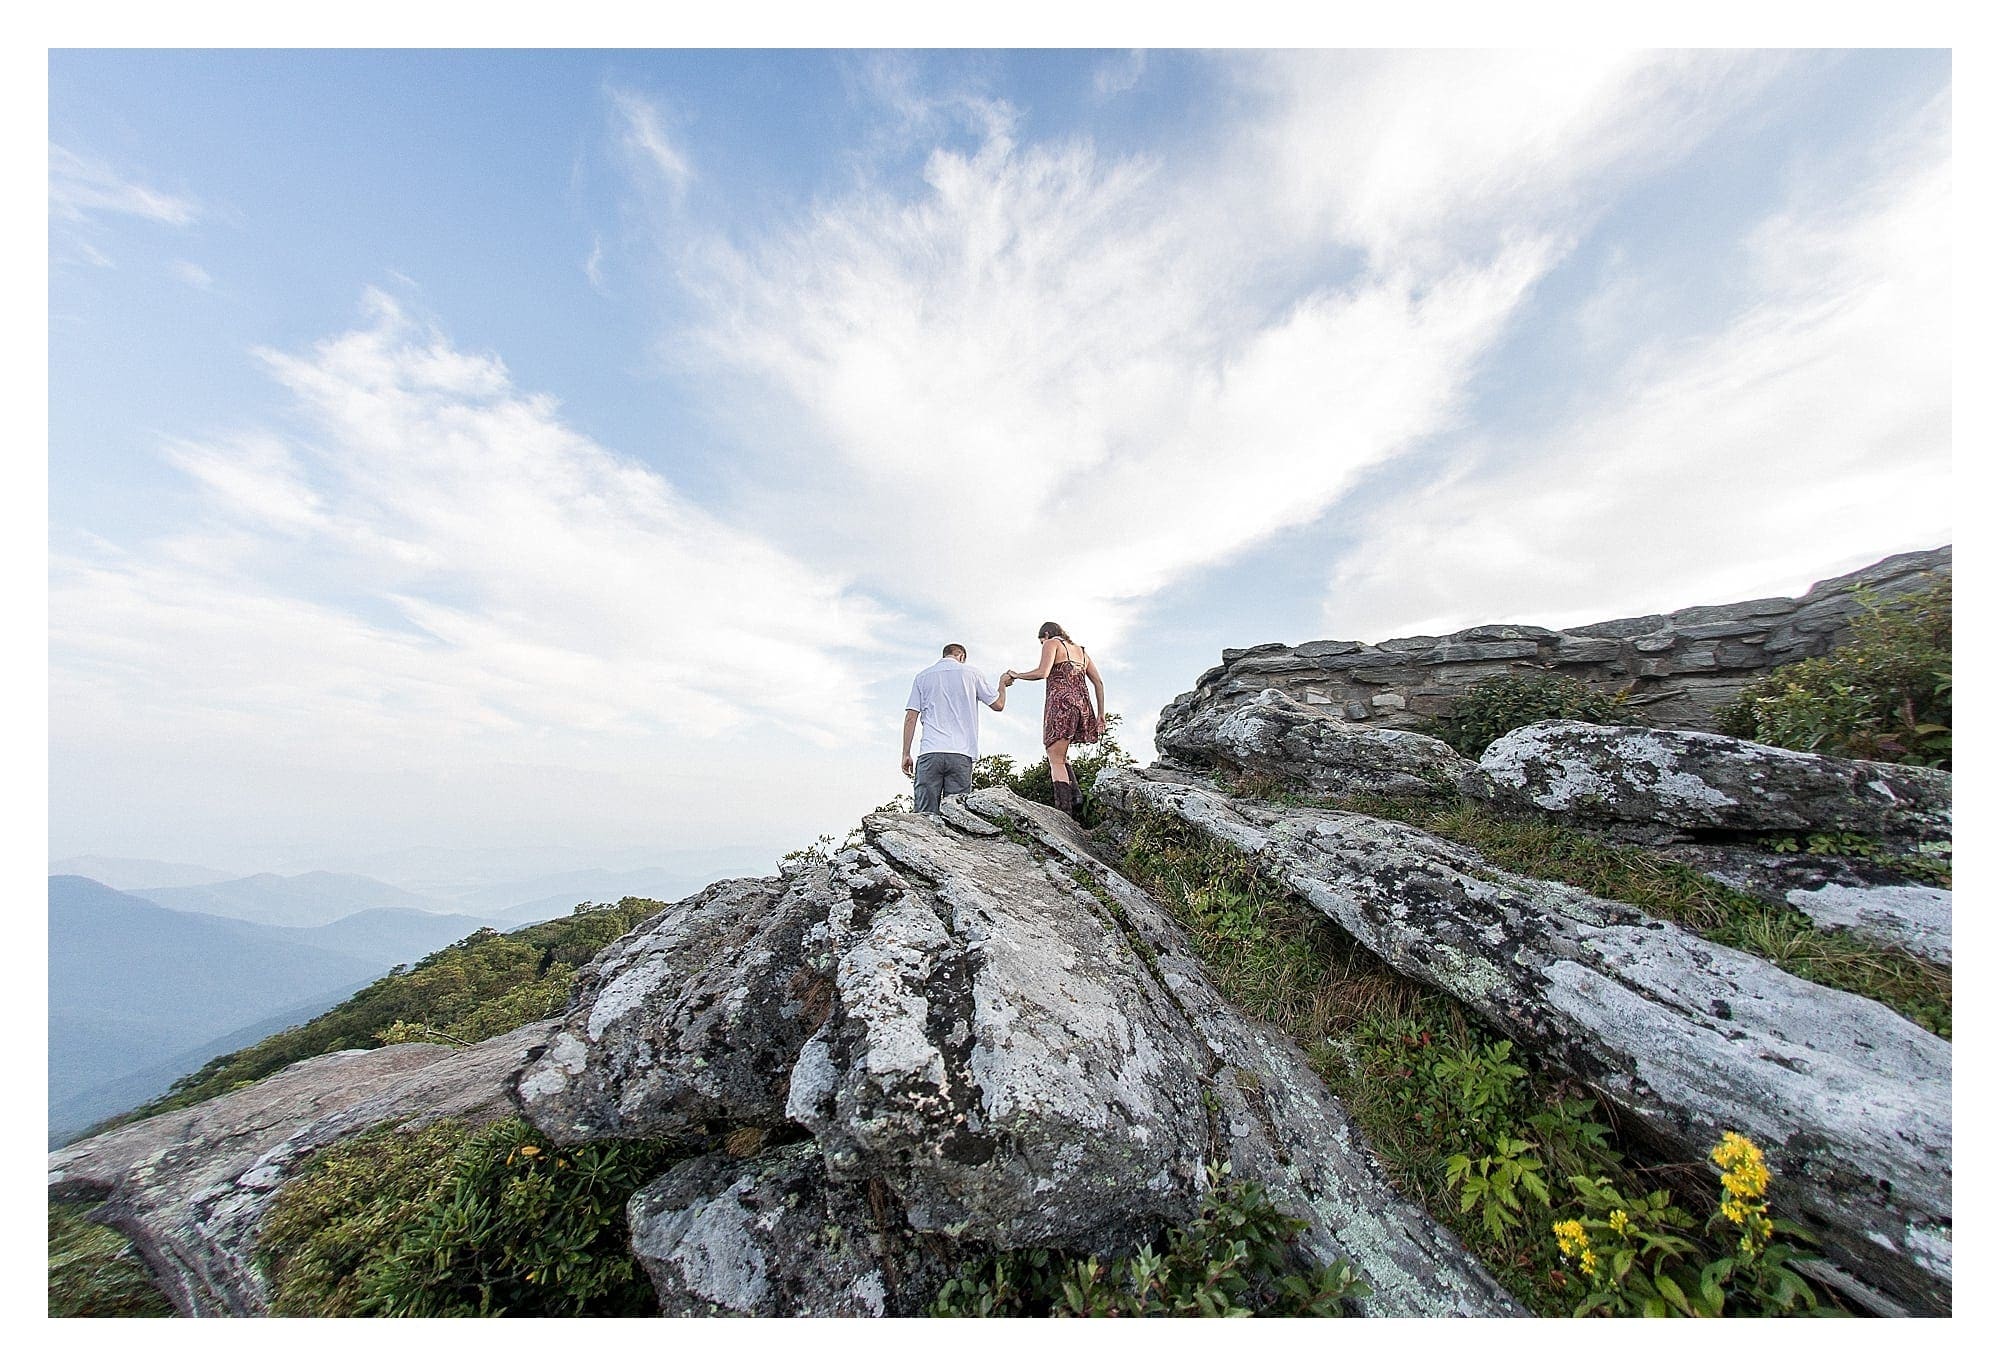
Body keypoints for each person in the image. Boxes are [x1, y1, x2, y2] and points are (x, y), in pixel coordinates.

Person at [1001, 622, 1105, 818]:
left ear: (1046, 635)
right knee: (1061, 754)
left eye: (1041, 642)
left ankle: (1064, 813)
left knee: (1054, 758)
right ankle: (1075, 796)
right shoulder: (1081, 652)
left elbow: (1042, 672)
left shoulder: (1052, 643)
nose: (1043, 646)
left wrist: (1017, 674)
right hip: (1081, 706)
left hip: (1061, 704)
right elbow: (1098, 682)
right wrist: (1101, 714)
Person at [902, 643, 1005, 815]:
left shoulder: (922, 677)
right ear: (962, 656)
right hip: (961, 753)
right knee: (957, 817)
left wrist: (906, 753)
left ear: (944, 655)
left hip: (930, 752)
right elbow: (998, 704)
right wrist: (1002, 684)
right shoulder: (972, 674)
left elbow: (910, 717)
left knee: (924, 817)